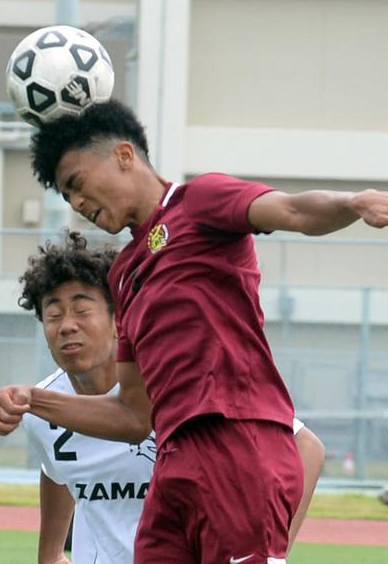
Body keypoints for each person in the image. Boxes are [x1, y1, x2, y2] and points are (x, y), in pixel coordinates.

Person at [0, 99, 388, 563]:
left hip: (240, 445)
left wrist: (353, 203)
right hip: (174, 465)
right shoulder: (124, 273)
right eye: (67, 197)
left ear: (124, 155)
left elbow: (293, 211)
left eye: (77, 184)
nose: (77, 203)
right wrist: (34, 400)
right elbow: (134, 415)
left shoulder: (199, 202)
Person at [17, 231, 325, 564]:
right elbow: (57, 469)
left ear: (119, 320)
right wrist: (49, 555)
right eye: (53, 315)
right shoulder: (42, 409)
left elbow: (306, 448)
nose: (67, 326)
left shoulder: (178, 382)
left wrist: (271, 550)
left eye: (81, 310)